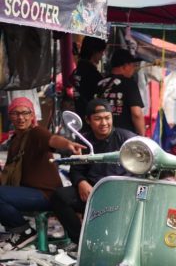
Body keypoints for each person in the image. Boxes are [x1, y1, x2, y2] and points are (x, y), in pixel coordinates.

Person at [0, 97, 85, 249]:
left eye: (25, 113)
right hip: (27, 192)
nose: (21, 118)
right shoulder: (14, 140)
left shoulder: (36, 133)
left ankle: (23, 231)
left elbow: (52, 140)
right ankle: (17, 231)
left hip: (46, 194)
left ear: (32, 115)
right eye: (15, 113)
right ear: (10, 116)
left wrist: (68, 144)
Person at [50, 99, 133, 245]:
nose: (104, 123)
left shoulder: (128, 139)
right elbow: (76, 169)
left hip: (121, 193)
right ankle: (81, 241)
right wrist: (81, 182)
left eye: (107, 118)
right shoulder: (83, 140)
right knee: (59, 196)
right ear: (88, 120)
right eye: (98, 119)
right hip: (92, 193)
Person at [96, 48, 145, 136]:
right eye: (132, 65)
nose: (134, 69)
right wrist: (142, 136)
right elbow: (136, 114)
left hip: (102, 134)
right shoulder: (129, 84)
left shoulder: (100, 83)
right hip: (125, 135)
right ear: (125, 66)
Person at [70, 37, 107, 119]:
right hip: (90, 116)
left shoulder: (78, 69)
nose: (102, 55)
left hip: (78, 113)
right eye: (101, 52)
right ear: (94, 52)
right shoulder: (92, 73)